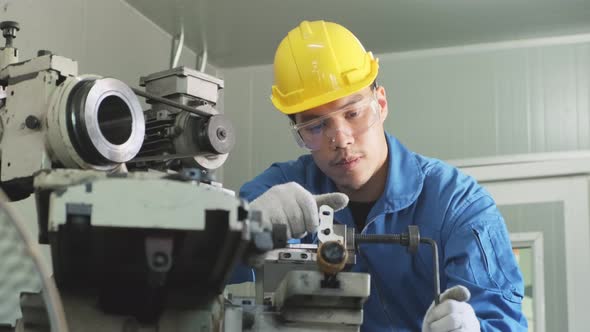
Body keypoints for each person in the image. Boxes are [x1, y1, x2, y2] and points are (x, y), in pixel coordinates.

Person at [231, 20, 527, 331]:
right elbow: (206, 291)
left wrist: (475, 329)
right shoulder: (278, 189)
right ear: (299, 133)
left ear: (380, 104)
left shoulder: (457, 204)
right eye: (316, 126)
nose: (341, 139)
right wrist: (245, 234)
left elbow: (504, 321)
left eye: (353, 113)